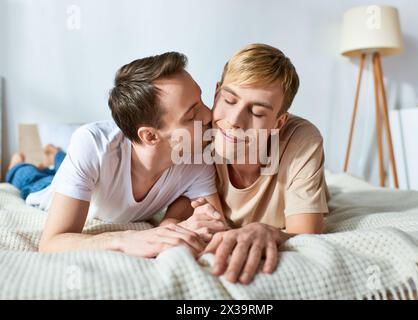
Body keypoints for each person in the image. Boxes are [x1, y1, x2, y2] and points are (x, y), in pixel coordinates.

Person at [29, 52, 229, 258]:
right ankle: (28, 161)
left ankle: (54, 155)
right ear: (150, 136)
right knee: (28, 176)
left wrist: (179, 225)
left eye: (201, 101)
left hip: (94, 179)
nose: (208, 115)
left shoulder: (198, 156)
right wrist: (124, 239)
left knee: (61, 162)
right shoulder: (93, 144)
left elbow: (214, 224)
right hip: (43, 190)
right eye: (192, 115)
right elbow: (52, 242)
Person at [193, 44, 331, 285]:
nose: (235, 120)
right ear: (216, 93)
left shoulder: (302, 140)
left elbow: (307, 233)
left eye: (256, 113)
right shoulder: (194, 136)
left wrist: (269, 231)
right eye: (228, 99)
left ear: (278, 123)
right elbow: (174, 218)